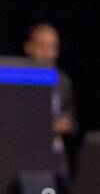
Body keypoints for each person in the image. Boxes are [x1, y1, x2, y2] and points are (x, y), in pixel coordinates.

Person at [23, 22, 78, 181]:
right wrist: (46, 127)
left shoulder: (62, 81)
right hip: (27, 154)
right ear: (29, 47)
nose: (46, 52)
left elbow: (73, 122)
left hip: (55, 156)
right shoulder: (19, 81)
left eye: (51, 47)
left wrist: (67, 124)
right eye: (41, 46)